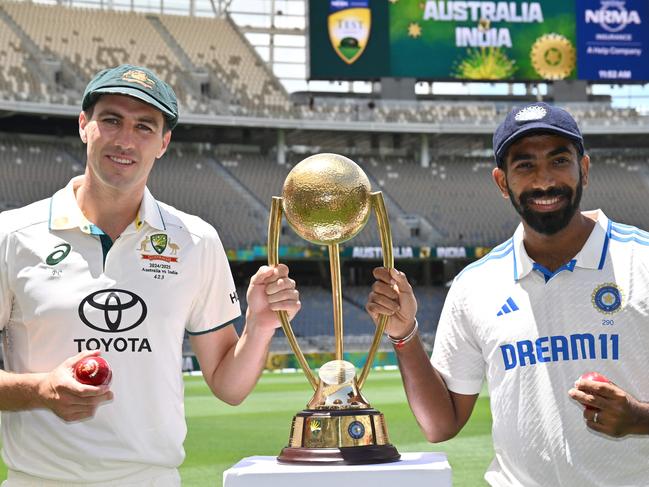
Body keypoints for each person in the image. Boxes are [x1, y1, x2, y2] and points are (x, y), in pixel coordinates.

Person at [0, 64, 300, 486]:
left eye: (144, 126)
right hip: (38, 479)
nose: (125, 139)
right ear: (84, 125)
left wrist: (259, 325)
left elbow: (229, 386)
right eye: (111, 120)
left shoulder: (196, 240)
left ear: (163, 143)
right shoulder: (12, 235)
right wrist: (40, 391)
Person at [366, 102, 649, 486]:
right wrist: (404, 333)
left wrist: (638, 418)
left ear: (583, 169)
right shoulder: (475, 284)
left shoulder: (642, 260)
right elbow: (440, 423)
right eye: (525, 166)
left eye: (559, 161)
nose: (544, 181)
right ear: (502, 182)